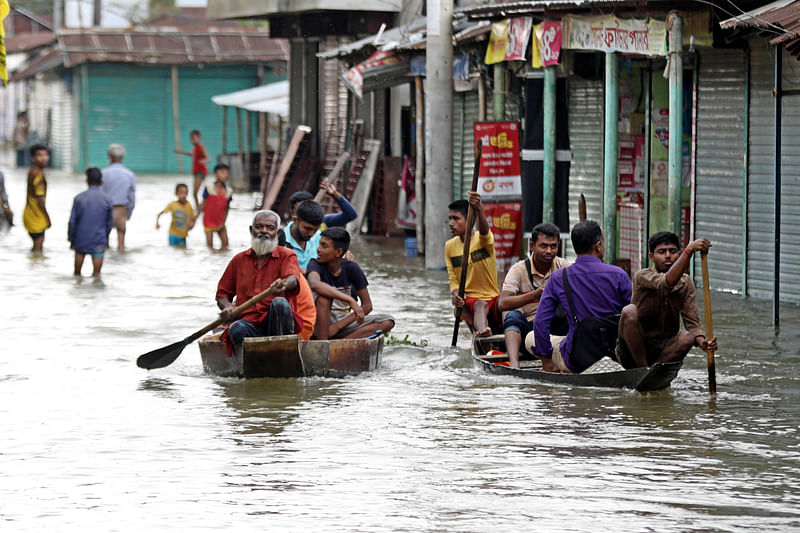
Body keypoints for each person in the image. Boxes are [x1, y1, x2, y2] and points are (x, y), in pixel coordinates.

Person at [528, 220, 632, 373]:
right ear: (598, 246)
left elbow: (540, 322)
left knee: (530, 337)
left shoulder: (559, 277)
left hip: (576, 359)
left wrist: (547, 363)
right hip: (615, 354)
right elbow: (634, 317)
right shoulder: (619, 275)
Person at [616, 232, 718, 368]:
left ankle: (653, 373)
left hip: (664, 350)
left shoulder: (685, 282)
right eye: (662, 252)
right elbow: (665, 283)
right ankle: (643, 369)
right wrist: (689, 251)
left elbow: (692, 324)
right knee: (629, 311)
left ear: (678, 254)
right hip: (634, 348)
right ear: (651, 257)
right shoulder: (643, 276)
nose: (668, 256)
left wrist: (703, 343)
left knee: (687, 337)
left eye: (673, 251)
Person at [216, 210, 317, 348]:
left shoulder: (287, 256)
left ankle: (282, 350)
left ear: (278, 233)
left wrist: (284, 284)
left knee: (279, 303)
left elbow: (293, 279)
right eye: (259, 227)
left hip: (278, 324)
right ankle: (253, 357)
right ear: (252, 230)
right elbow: (222, 294)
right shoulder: (238, 260)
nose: (264, 231)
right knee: (236, 329)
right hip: (250, 324)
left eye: (270, 228)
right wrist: (227, 306)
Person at [499, 223, 571, 369]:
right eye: (543, 246)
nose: (549, 251)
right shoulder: (518, 269)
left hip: (555, 327)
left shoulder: (564, 266)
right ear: (532, 246)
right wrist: (534, 295)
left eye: (553, 246)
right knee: (513, 316)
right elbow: (502, 303)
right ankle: (514, 365)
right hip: (528, 328)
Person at [306, 226, 395, 340]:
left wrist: (337, 327)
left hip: (342, 320)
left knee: (387, 321)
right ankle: (323, 344)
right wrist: (350, 300)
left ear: (338, 252)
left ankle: (343, 343)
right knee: (324, 297)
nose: (318, 249)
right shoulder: (314, 264)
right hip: (318, 321)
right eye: (320, 244)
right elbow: (315, 284)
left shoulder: (351, 268)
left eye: (324, 246)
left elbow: (367, 306)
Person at [444, 191, 501, 337]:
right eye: (450, 219)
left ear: (469, 220)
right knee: (479, 305)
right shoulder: (449, 246)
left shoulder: (483, 240)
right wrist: (456, 295)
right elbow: (453, 279)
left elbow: (484, 231)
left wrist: (479, 208)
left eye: (456, 219)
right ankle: (482, 334)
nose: (451, 223)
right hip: (469, 300)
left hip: (492, 296)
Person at [68, 168, 113, 277]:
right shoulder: (107, 200)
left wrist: (71, 238)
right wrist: (105, 238)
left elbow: (72, 221)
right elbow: (109, 223)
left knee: (77, 275)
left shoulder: (79, 198)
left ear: (87, 181)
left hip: (80, 239)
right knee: (97, 276)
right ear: (101, 182)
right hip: (98, 238)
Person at [101, 143, 136, 252]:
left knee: (104, 243)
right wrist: (128, 213)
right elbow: (132, 198)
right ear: (122, 158)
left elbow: (99, 194)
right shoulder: (129, 174)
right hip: (121, 209)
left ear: (109, 157)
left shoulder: (103, 173)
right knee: (121, 243)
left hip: (106, 209)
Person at [22, 144, 51, 253]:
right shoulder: (38, 175)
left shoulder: (32, 171)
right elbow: (40, 200)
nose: (43, 158)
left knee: (35, 250)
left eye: (45, 155)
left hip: (29, 215)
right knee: (38, 251)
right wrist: (47, 218)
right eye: (39, 155)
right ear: (33, 158)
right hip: (36, 217)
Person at [197, 163, 232, 251]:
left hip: (220, 222)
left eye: (227, 173)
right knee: (210, 248)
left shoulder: (229, 191)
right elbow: (203, 204)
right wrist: (194, 219)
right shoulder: (209, 187)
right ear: (215, 174)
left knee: (226, 246)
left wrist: (223, 223)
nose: (225, 175)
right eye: (222, 172)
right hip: (208, 221)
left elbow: (227, 209)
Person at [283, 199, 324, 272]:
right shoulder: (280, 240)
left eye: (315, 230)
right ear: (295, 220)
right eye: (307, 228)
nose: (311, 234)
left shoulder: (319, 238)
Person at [174, 129, 210, 208]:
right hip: (197, 172)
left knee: (195, 193)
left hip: (201, 172)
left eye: (194, 138)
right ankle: (199, 208)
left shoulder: (201, 147)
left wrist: (203, 161)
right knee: (195, 193)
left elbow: (208, 158)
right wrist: (180, 152)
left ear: (199, 138)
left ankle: (198, 209)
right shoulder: (195, 148)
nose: (192, 141)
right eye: (191, 139)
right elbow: (191, 154)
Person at [156, 183, 196, 247]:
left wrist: (192, 224)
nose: (183, 195)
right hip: (173, 235)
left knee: (182, 250)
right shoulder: (172, 204)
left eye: (185, 193)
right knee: (173, 250)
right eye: (181, 193)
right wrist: (157, 223)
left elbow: (193, 219)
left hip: (183, 235)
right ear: (176, 193)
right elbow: (160, 214)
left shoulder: (189, 205)